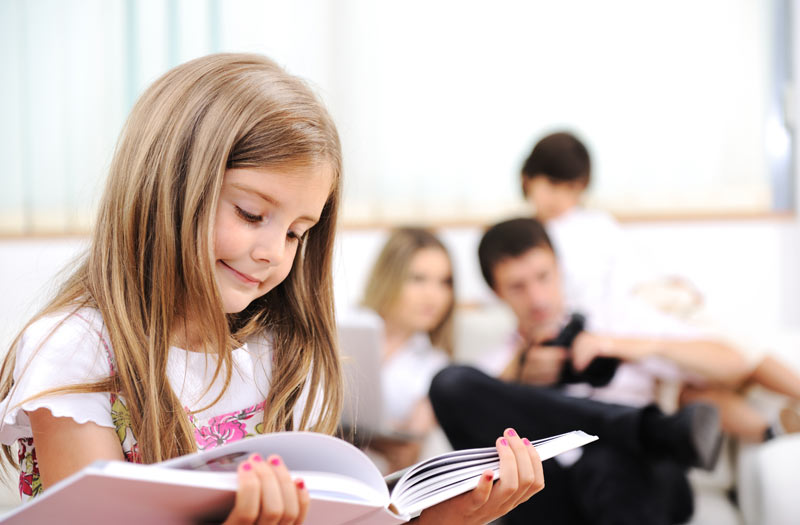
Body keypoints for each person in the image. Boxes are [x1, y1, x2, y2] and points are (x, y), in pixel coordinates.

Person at [0, 53, 544, 525]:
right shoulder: (75, 350)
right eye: (251, 212)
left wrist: (443, 519)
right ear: (165, 187)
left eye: (295, 232)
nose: (273, 253)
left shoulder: (274, 351)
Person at [430, 217, 753, 525]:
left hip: (643, 478)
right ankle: (652, 428)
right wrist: (517, 380)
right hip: (552, 498)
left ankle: (641, 432)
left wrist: (624, 347)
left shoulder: (614, 319)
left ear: (559, 267)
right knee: (450, 382)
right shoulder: (498, 367)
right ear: (497, 292)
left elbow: (734, 363)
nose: (537, 298)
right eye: (518, 287)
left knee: (606, 463)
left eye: (543, 277)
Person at [521, 131, 800, 443]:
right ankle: (775, 433)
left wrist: (669, 288)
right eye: (552, 185)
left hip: (646, 311)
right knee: (684, 392)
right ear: (528, 179)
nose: (560, 198)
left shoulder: (596, 223)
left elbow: (637, 274)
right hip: (613, 335)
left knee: (738, 352)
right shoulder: (529, 242)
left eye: (571, 188)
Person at [360, 227, 454, 472]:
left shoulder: (437, 367)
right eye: (418, 279)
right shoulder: (343, 329)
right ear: (389, 277)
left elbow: (406, 456)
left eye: (444, 282)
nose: (434, 296)